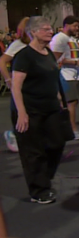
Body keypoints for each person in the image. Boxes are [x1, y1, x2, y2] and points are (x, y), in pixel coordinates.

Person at [11, 17, 68, 204]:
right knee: (33, 152)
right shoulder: (24, 56)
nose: (50, 31)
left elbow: (52, 79)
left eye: (50, 28)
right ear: (33, 32)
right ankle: (39, 191)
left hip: (50, 108)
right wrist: (22, 113)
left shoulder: (49, 53)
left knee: (57, 143)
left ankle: (45, 177)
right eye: (45, 29)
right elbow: (16, 87)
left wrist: (59, 99)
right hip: (30, 110)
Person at [50, 15, 79, 140]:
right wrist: (74, 63)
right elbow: (53, 59)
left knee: (73, 103)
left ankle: (69, 129)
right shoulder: (60, 38)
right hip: (65, 75)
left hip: (74, 75)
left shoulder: (71, 39)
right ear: (66, 25)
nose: (76, 28)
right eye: (74, 26)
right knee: (71, 103)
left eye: (78, 26)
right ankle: (72, 130)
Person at [0, 18, 31, 153]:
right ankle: (13, 133)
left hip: (33, 85)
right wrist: (8, 79)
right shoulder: (18, 44)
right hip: (20, 85)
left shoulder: (38, 45)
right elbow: (2, 61)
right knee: (19, 111)